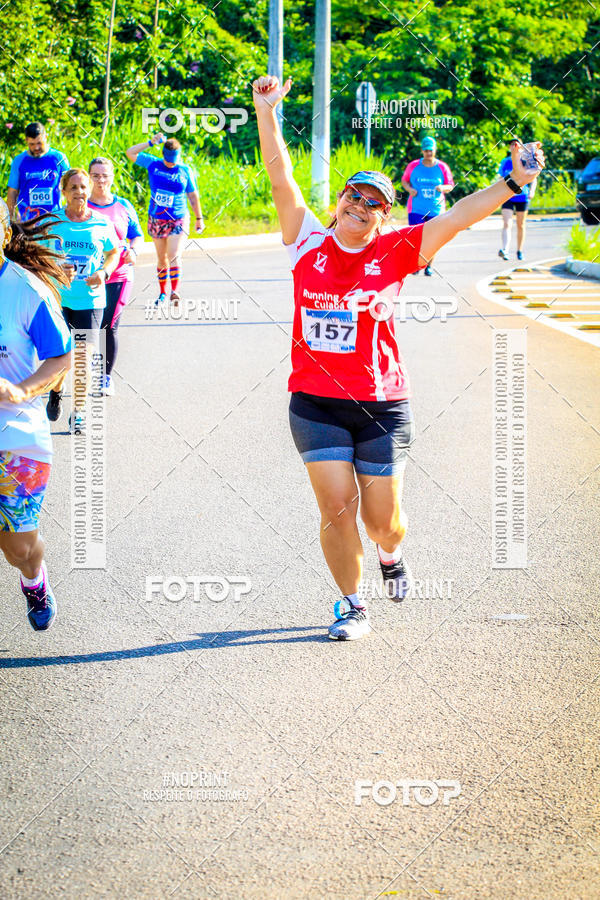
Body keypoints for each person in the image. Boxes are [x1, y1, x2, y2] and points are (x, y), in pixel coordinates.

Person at [252, 74, 544, 641]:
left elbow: (457, 215)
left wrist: (513, 181)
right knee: (337, 507)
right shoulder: (306, 240)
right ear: (339, 203)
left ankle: (390, 554)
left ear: (384, 216)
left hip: (382, 403)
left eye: (374, 203)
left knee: (381, 522)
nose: (360, 205)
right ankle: (351, 605)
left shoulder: (397, 250)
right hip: (314, 402)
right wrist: (266, 111)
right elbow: (280, 175)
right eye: (353, 195)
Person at [0, 198, 72, 630]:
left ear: (5, 234)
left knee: (18, 548)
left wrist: (22, 389)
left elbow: (60, 357)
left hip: (17, 434)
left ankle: (34, 579)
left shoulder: (26, 290)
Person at [45, 168, 119, 432]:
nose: (79, 192)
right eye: (73, 187)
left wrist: (104, 272)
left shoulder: (101, 223)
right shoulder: (53, 222)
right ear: (64, 191)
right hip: (59, 298)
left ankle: (79, 411)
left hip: (91, 299)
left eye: (83, 187)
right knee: (60, 356)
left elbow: (114, 252)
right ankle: (56, 390)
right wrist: (56, 267)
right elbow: (38, 255)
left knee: (83, 357)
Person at [125, 134, 204, 306]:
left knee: (174, 255)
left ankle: (174, 291)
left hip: (178, 218)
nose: (171, 164)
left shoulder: (184, 170)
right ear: (163, 155)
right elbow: (130, 152)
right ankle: (162, 292)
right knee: (162, 259)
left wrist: (199, 218)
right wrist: (150, 142)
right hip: (157, 219)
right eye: (168, 161)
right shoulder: (153, 163)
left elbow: (192, 195)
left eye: (173, 161)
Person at [87, 157, 144, 395]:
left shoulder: (124, 206)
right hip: (89, 277)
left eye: (105, 175)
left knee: (109, 326)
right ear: (89, 177)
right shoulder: (83, 206)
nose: (101, 180)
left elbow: (137, 235)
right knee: (89, 329)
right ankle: (88, 371)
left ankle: (105, 378)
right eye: (96, 175)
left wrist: (134, 250)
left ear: (112, 177)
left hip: (119, 274)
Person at [401, 136, 454, 275]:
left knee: (433, 238)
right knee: (415, 237)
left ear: (435, 150)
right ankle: (415, 265)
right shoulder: (413, 165)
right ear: (422, 151)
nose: (428, 153)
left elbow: (450, 185)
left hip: (436, 208)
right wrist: (409, 189)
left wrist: (442, 188)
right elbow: (404, 180)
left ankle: (429, 265)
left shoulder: (442, 167)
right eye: (426, 151)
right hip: (416, 208)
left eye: (430, 150)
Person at [6, 122, 69, 222]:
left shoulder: (59, 158)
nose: (36, 148)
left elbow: (70, 185)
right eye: (32, 144)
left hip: (53, 219)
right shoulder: (19, 161)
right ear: (26, 140)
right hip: (27, 221)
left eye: (39, 143)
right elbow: (12, 192)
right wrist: (10, 219)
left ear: (46, 137)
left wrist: (68, 211)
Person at [498, 139, 537, 261]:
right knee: (507, 223)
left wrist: (532, 191)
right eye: (511, 145)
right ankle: (505, 250)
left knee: (520, 224)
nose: (514, 147)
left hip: (522, 196)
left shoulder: (525, 162)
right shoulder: (505, 162)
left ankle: (519, 251)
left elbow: (533, 177)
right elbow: (500, 178)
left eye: (516, 144)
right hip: (507, 196)